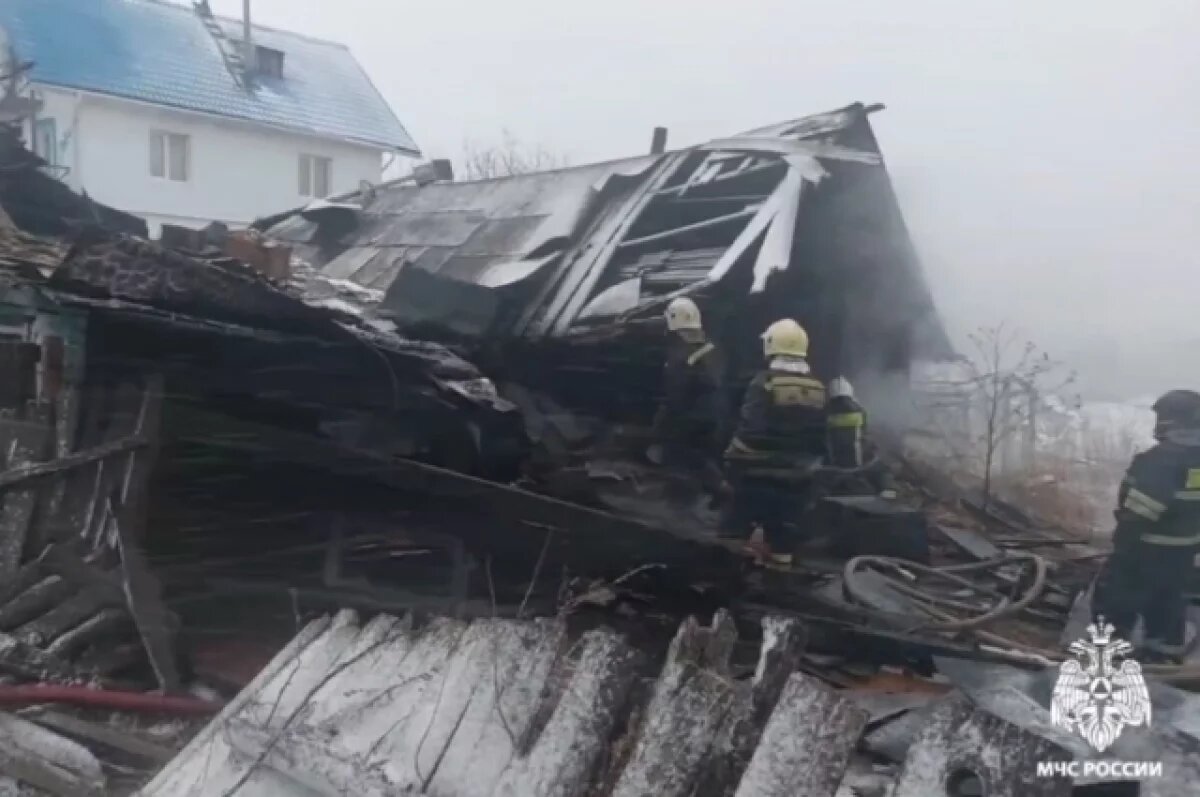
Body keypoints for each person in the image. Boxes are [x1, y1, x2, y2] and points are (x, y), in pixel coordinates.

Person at [1091, 389, 1200, 665]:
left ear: (1172, 421)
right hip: (1184, 553)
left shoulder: (1160, 460)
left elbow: (1141, 511)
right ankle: (1163, 660)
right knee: (1169, 604)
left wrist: (1123, 545)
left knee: (1115, 599)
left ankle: (1110, 660)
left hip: (1145, 549)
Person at [721, 318, 827, 566]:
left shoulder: (764, 382)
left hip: (757, 475)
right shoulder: (818, 387)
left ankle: (733, 582)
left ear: (771, 345)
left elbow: (750, 430)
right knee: (783, 545)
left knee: (732, 536)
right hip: (797, 478)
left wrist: (730, 463)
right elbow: (819, 436)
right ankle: (780, 588)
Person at [647, 297, 729, 495]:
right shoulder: (713, 348)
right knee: (706, 455)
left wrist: (660, 425)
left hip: (691, 418)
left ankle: (689, 498)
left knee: (682, 458)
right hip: (718, 415)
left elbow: (675, 396)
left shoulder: (680, 355)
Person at [825, 376, 896, 498]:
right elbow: (865, 431)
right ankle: (886, 490)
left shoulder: (826, 412)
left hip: (833, 468)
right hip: (859, 466)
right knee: (882, 469)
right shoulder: (860, 411)